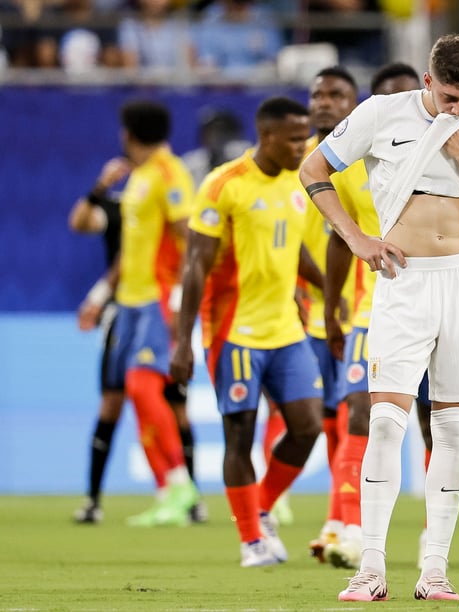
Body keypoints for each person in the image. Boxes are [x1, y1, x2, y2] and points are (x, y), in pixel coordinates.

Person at [300, 34, 459, 601]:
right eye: (449, 96)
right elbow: (313, 168)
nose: (458, 109)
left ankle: (435, 569)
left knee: (449, 428)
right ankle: (370, 568)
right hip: (404, 282)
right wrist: (354, 237)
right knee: (385, 423)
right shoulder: (379, 114)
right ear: (428, 79)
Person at [170, 96, 325, 568]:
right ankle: (251, 539)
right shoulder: (224, 186)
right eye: (295, 138)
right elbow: (196, 265)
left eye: (306, 137)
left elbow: (294, 250)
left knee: (308, 427)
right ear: (267, 136)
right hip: (235, 331)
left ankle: (260, 505)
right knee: (239, 437)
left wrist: (327, 291)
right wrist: (183, 339)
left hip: (285, 330)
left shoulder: (300, 183)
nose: (303, 146)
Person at [319, 60, 433, 571]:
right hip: (374, 308)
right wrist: (331, 306)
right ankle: (346, 526)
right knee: (359, 412)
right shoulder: (360, 161)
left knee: (436, 421)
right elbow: (341, 238)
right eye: (388, 100)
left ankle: (436, 530)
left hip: (438, 304)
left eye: (408, 96)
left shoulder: (452, 149)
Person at [97, 100, 200, 527]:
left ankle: (179, 485)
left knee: (142, 387)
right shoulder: (138, 176)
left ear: (128, 132)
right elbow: (131, 247)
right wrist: (103, 292)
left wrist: (180, 298)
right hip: (130, 300)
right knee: (137, 396)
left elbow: (189, 239)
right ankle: (168, 490)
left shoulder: (169, 173)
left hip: (160, 298)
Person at [298, 64, 360, 563]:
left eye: (335, 94)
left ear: (354, 104)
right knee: (326, 422)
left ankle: (344, 523)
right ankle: (338, 519)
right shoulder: (291, 159)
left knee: (348, 417)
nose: (323, 101)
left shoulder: (362, 161)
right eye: (317, 93)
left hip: (353, 310)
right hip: (300, 319)